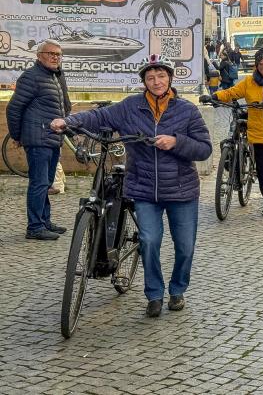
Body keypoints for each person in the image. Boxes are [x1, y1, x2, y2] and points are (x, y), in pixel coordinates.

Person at [50, 54, 213, 318]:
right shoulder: (130, 107)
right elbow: (99, 116)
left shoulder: (187, 111)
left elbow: (205, 149)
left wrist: (176, 142)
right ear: (144, 82)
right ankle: (154, 294)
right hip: (144, 189)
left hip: (182, 191)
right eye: (150, 77)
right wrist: (68, 122)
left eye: (161, 76)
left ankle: (178, 289)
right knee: (149, 240)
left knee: (185, 246)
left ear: (170, 79)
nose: (156, 81)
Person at [203, 48, 263, 216]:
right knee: (262, 170)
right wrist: (214, 97)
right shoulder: (249, 83)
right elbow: (232, 92)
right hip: (258, 133)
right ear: (257, 65)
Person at [6, 39, 72, 240]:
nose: (55, 57)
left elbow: (63, 106)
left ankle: (44, 221)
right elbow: (14, 108)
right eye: (50, 53)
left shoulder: (55, 76)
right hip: (38, 138)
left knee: (46, 182)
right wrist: (17, 136)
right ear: (39, 55)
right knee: (39, 183)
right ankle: (34, 227)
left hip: (52, 138)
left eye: (58, 54)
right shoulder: (31, 77)